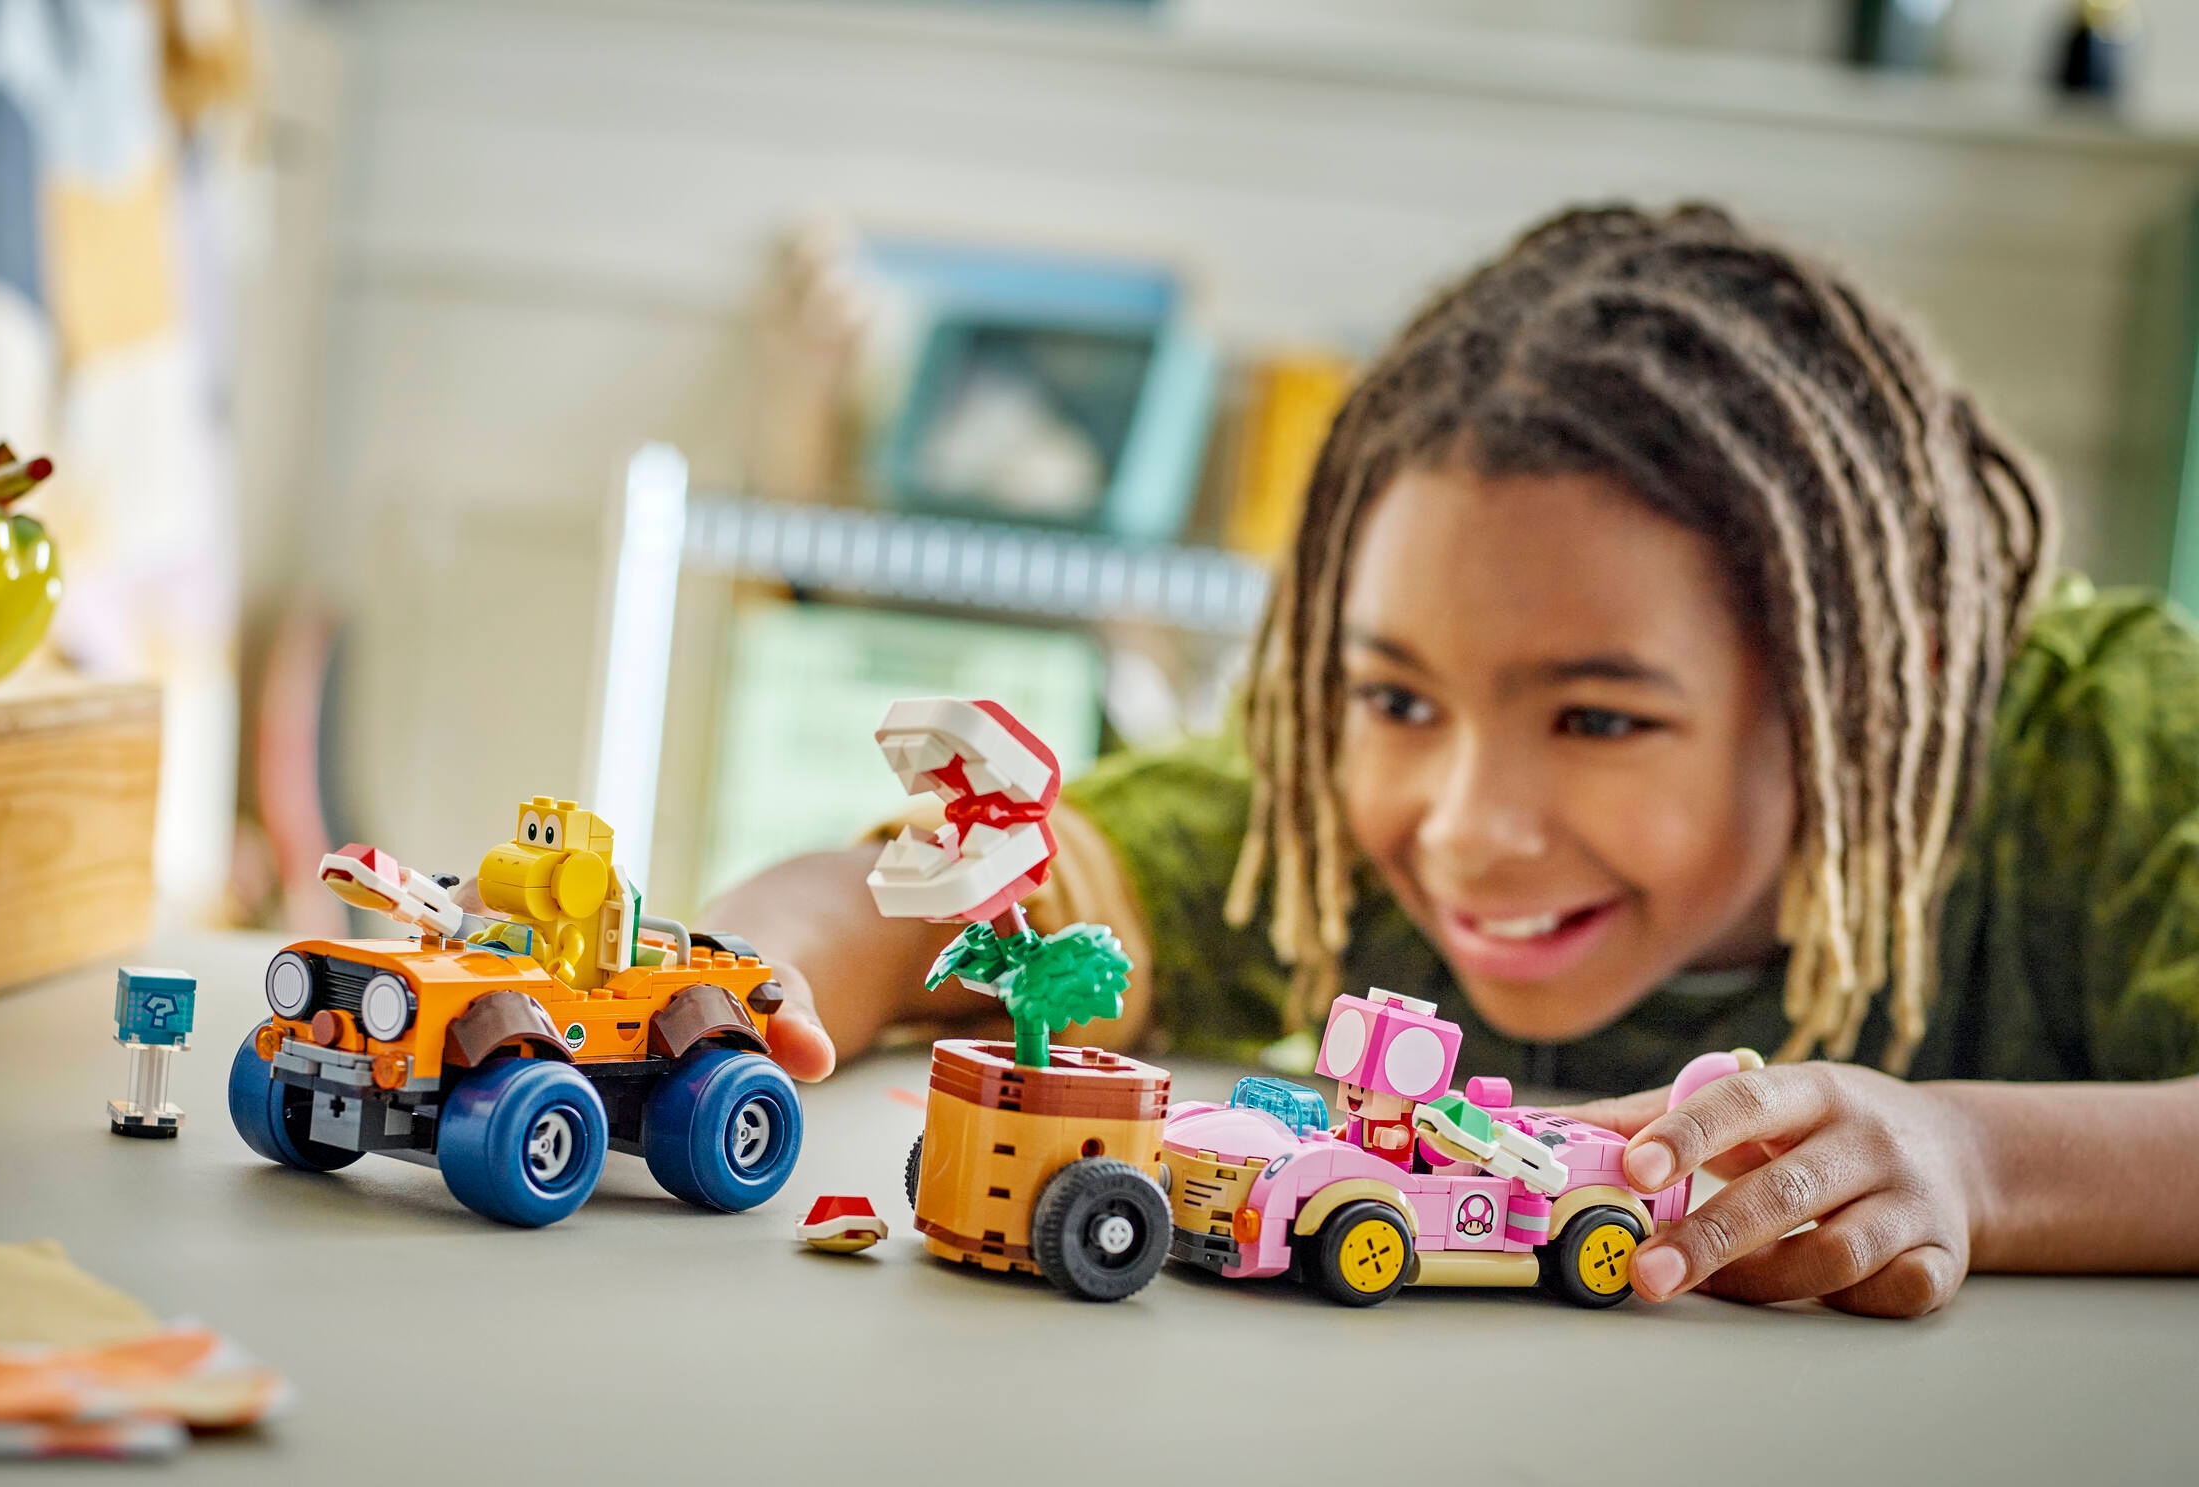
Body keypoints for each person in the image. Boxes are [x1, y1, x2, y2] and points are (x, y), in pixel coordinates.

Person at [704, 203, 2199, 1319]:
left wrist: (1972, 1158)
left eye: (1599, 720)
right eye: (1397, 699)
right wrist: (728, 992)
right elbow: (910, 907)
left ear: (1874, 683)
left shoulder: (2109, 748)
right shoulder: (1324, 834)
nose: (1467, 828)